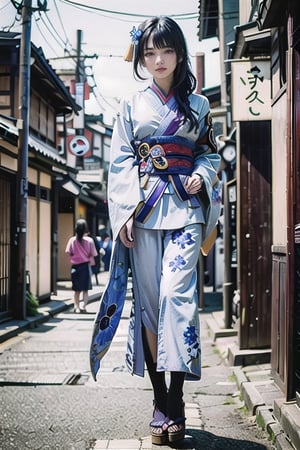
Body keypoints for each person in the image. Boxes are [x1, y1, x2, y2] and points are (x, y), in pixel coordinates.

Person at [90, 16, 222, 445]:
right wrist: (125, 212)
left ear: (179, 54)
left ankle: (179, 398)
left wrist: (203, 172)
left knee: (174, 297)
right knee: (148, 304)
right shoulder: (130, 106)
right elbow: (121, 160)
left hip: (185, 211)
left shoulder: (198, 105)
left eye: (166, 51)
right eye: (149, 53)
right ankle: (160, 399)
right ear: (142, 57)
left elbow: (209, 153)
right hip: (145, 212)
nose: (158, 60)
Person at [65, 219, 98, 313]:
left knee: (76, 289)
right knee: (85, 289)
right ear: (85, 229)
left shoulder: (72, 240)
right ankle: (83, 306)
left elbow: (68, 252)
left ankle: (76, 306)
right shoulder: (89, 241)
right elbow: (94, 254)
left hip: (75, 267)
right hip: (85, 266)